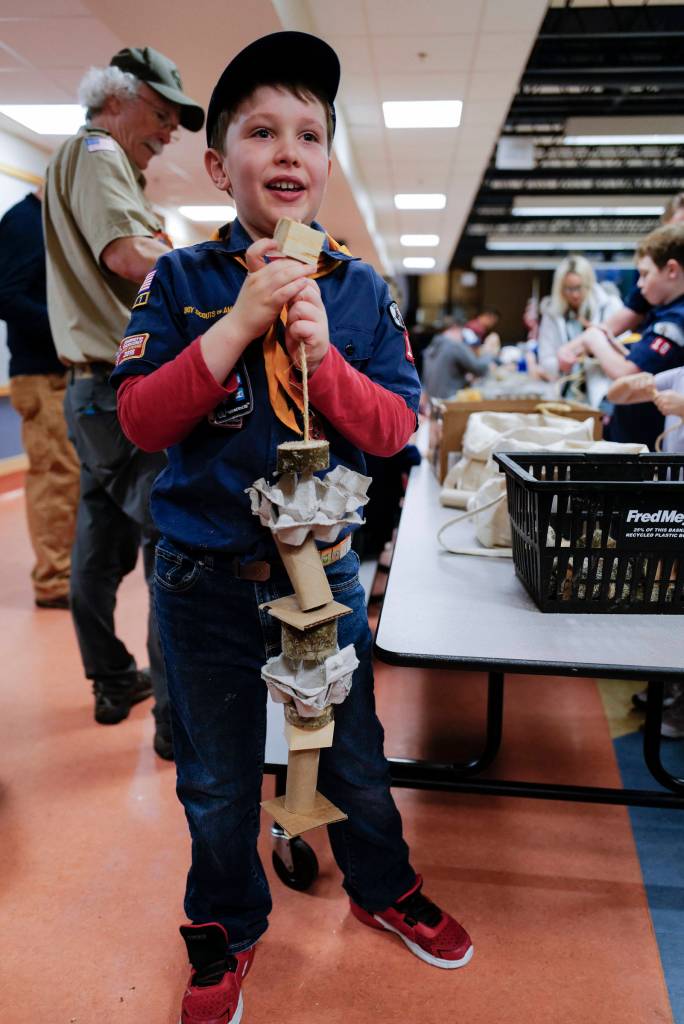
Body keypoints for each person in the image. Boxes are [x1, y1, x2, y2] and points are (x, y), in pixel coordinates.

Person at [110, 31, 473, 1024]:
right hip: (203, 581)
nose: (288, 149)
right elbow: (142, 419)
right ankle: (226, 925)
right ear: (222, 165)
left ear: (324, 165)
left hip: (319, 578)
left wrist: (322, 360)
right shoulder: (181, 282)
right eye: (262, 130)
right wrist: (235, 325)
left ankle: (380, 882)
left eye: (309, 133)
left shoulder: (358, 290)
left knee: (351, 751)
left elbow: (397, 426)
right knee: (221, 779)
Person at [43, 47, 204, 759]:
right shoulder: (102, 151)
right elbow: (129, 258)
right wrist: (210, 268)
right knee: (176, 542)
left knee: (99, 547)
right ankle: (179, 726)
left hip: (87, 391)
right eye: (161, 115)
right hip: (116, 389)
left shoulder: (75, 158)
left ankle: (113, 680)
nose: (169, 131)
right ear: (119, 97)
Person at [0, 188, 79, 608]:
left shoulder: (48, 223)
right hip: (40, 374)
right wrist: (66, 331)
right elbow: (6, 295)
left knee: (70, 477)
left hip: (60, 373)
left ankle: (67, 570)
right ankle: (53, 582)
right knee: (55, 478)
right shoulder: (26, 221)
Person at [606, 366, 684, 735]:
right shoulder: (680, 374)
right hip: (675, 499)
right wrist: (627, 384)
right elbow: (620, 395)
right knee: (672, 600)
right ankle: (671, 682)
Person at [558, 224, 684, 450]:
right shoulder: (662, 310)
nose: (640, 284)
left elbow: (628, 374)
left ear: (672, 270)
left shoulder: (675, 321)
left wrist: (594, 340)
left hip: (651, 446)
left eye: (645, 274)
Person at [536, 255, 623, 381]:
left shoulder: (609, 305)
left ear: (589, 283)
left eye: (578, 287)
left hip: (605, 385)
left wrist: (595, 350)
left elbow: (624, 348)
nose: (574, 295)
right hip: (569, 387)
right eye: (568, 289)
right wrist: (561, 363)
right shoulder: (552, 314)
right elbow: (546, 360)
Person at [421, 317, 499, 399]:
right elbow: (479, 369)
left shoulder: (433, 345)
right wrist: (489, 353)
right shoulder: (455, 346)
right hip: (449, 400)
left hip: (433, 400)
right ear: (456, 328)